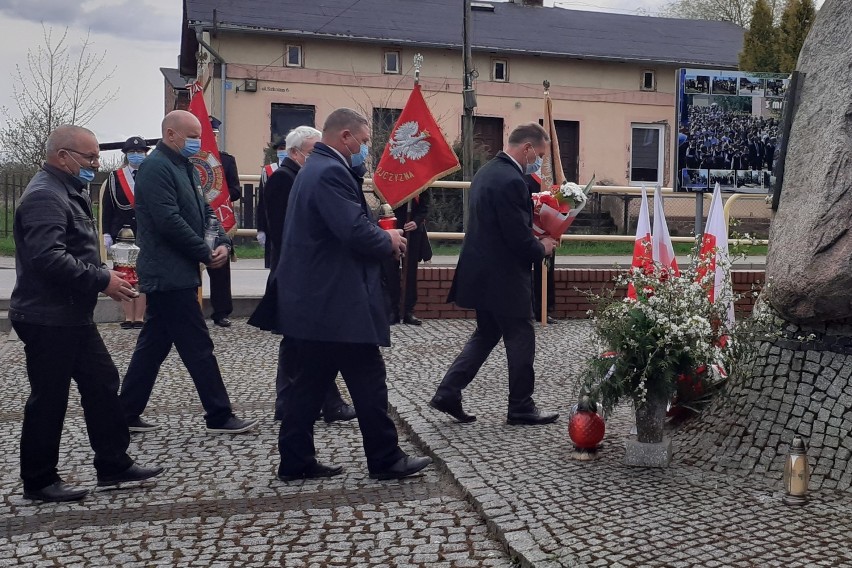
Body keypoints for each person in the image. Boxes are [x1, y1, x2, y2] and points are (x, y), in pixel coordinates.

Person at [273, 108, 431, 481]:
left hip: (320, 301)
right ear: (345, 136)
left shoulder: (316, 170)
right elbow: (352, 232)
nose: (364, 150)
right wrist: (387, 238)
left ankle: (295, 460)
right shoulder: (329, 172)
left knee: (309, 385)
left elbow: (341, 225)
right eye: (362, 142)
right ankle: (386, 459)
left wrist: (375, 230)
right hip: (336, 301)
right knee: (368, 379)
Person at [9, 125, 164, 502]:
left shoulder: (65, 190)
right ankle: (39, 480)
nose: (95, 164)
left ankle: (113, 463)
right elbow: (49, 258)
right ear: (62, 156)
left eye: (96, 156)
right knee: (50, 398)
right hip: (47, 316)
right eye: (90, 157)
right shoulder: (46, 195)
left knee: (101, 383)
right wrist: (102, 280)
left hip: (69, 314)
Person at [118, 110, 258, 435]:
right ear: (170, 134)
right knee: (198, 348)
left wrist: (221, 240)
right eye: (193, 135)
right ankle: (219, 415)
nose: (199, 141)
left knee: (152, 346)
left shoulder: (185, 166)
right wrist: (204, 252)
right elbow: (168, 221)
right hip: (168, 275)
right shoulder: (156, 169)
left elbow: (205, 210)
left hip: (178, 272)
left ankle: (124, 412)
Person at [429, 123, 560, 426]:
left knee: (486, 334)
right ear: (527, 148)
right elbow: (516, 237)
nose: (538, 161)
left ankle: (448, 392)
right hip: (504, 277)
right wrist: (543, 246)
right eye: (539, 154)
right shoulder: (512, 180)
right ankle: (521, 406)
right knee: (521, 336)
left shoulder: (487, 172)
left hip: (480, 272)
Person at [253, 125, 356, 423]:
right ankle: (324, 404)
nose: (318, 156)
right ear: (295, 152)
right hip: (294, 271)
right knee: (306, 343)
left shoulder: (299, 176)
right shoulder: (282, 180)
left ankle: (293, 403)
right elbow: (284, 231)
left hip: (298, 271)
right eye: (313, 151)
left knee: (298, 343)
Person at [101, 136, 150, 329]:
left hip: (145, 233)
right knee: (125, 275)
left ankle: (140, 317)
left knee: (143, 276)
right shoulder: (115, 177)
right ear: (126, 155)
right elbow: (108, 207)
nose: (136, 156)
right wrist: (106, 233)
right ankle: (128, 316)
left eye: (140, 152)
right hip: (122, 234)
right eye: (132, 153)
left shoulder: (151, 175)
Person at [207, 123, 239, 328]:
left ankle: (221, 311)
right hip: (191, 218)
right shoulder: (189, 161)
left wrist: (221, 194)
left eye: (214, 135)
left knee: (220, 265)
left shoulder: (226, 161)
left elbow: (236, 189)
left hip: (217, 218)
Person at [383, 192, 432, 326]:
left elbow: (425, 206)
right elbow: (380, 193)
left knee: (410, 272)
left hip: (413, 230)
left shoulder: (419, 177)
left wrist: (416, 221)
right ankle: (393, 310)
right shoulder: (389, 174)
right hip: (391, 226)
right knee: (390, 270)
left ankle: (408, 311)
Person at [525, 173, 556, 324]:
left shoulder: (553, 176)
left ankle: (542, 309)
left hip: (546, 232)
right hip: (527, 229)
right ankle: (525, 309)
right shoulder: (526, 177)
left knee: (545, 270)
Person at [256, 138, 286, 268]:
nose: (283, 151)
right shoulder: (268, 171)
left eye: (285, 148)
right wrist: (261, 229)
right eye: (280, 149)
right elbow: (262, 202)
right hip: (271, 223)